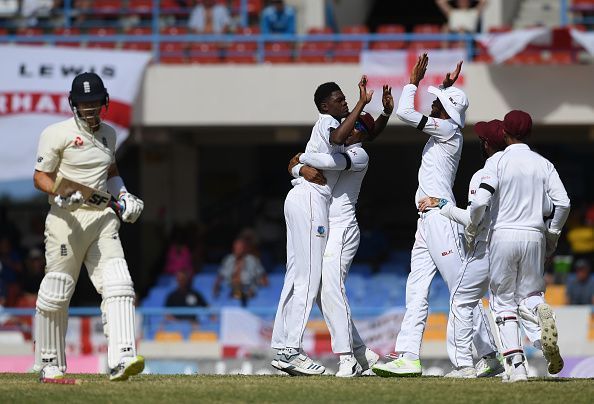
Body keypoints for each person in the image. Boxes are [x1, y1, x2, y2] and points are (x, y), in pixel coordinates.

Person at [373, 54, 493, 378]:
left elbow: (405, 111)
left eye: (438, 103)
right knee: (416, 287)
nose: (434, 106)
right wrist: (444, 87)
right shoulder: (447, 127)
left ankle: (488, 353)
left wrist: (413, 82)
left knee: (459, 286)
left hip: (441, 217)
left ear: (445, 112)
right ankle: (409, 356)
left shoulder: (447, 129)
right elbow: (439, 108)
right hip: (425, 220)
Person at [32, 72, 145, 381]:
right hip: (66, 221)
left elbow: (111, 170)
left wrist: (123, 195)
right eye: (84, 103)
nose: (90, 108)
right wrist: (59, 193)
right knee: (58, 290)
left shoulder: (109, 134)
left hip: (101, 219)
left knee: (119, 284)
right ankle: (49, 361)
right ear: (74, 105)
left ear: (104, 101)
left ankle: (123, 357)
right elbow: (40, 176)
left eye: (95, 102)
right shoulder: (56, 133)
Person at [280, 98, 393, 377]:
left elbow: (326, 161)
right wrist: (296, 167)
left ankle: (347, 359)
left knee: (331, 289)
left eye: (353, 127)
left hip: (343, 228)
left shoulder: (358, 155)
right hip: (325, 224)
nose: (346, 128)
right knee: (320, 291)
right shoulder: (343, 144)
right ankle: (360, 352)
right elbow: (304, 168)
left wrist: (302, 158)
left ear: (360, 133)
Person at [468, 110, 571, 382]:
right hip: (535, 235)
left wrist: (471, 226)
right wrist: (553, 235)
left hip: (503, 234)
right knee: (530, 295)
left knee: (502, 302)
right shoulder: (543, 163)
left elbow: (479, 202)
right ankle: (538, 311)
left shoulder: (498, 161)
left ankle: (517, 367)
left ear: (504, 133)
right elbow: (563, 203)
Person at [417, 120, 516, 378]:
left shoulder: (484, 173)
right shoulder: (528, 169)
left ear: (487, 144)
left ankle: (464, 365)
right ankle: (519, 364)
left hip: (488, 247)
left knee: (461, 298)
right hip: (520, 245)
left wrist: (444, 207)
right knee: (511, 305)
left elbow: (475, 215)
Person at [213, 236, 267, 306]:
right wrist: (216, 286)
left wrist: (255, 287)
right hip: (231, 290)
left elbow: (263, 280)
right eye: (236, 248)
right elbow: (220, 277)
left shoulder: (253, 260)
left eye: (240, 248)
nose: (237, 250)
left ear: (245, 248)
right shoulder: (228, 260)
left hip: (249, 291)